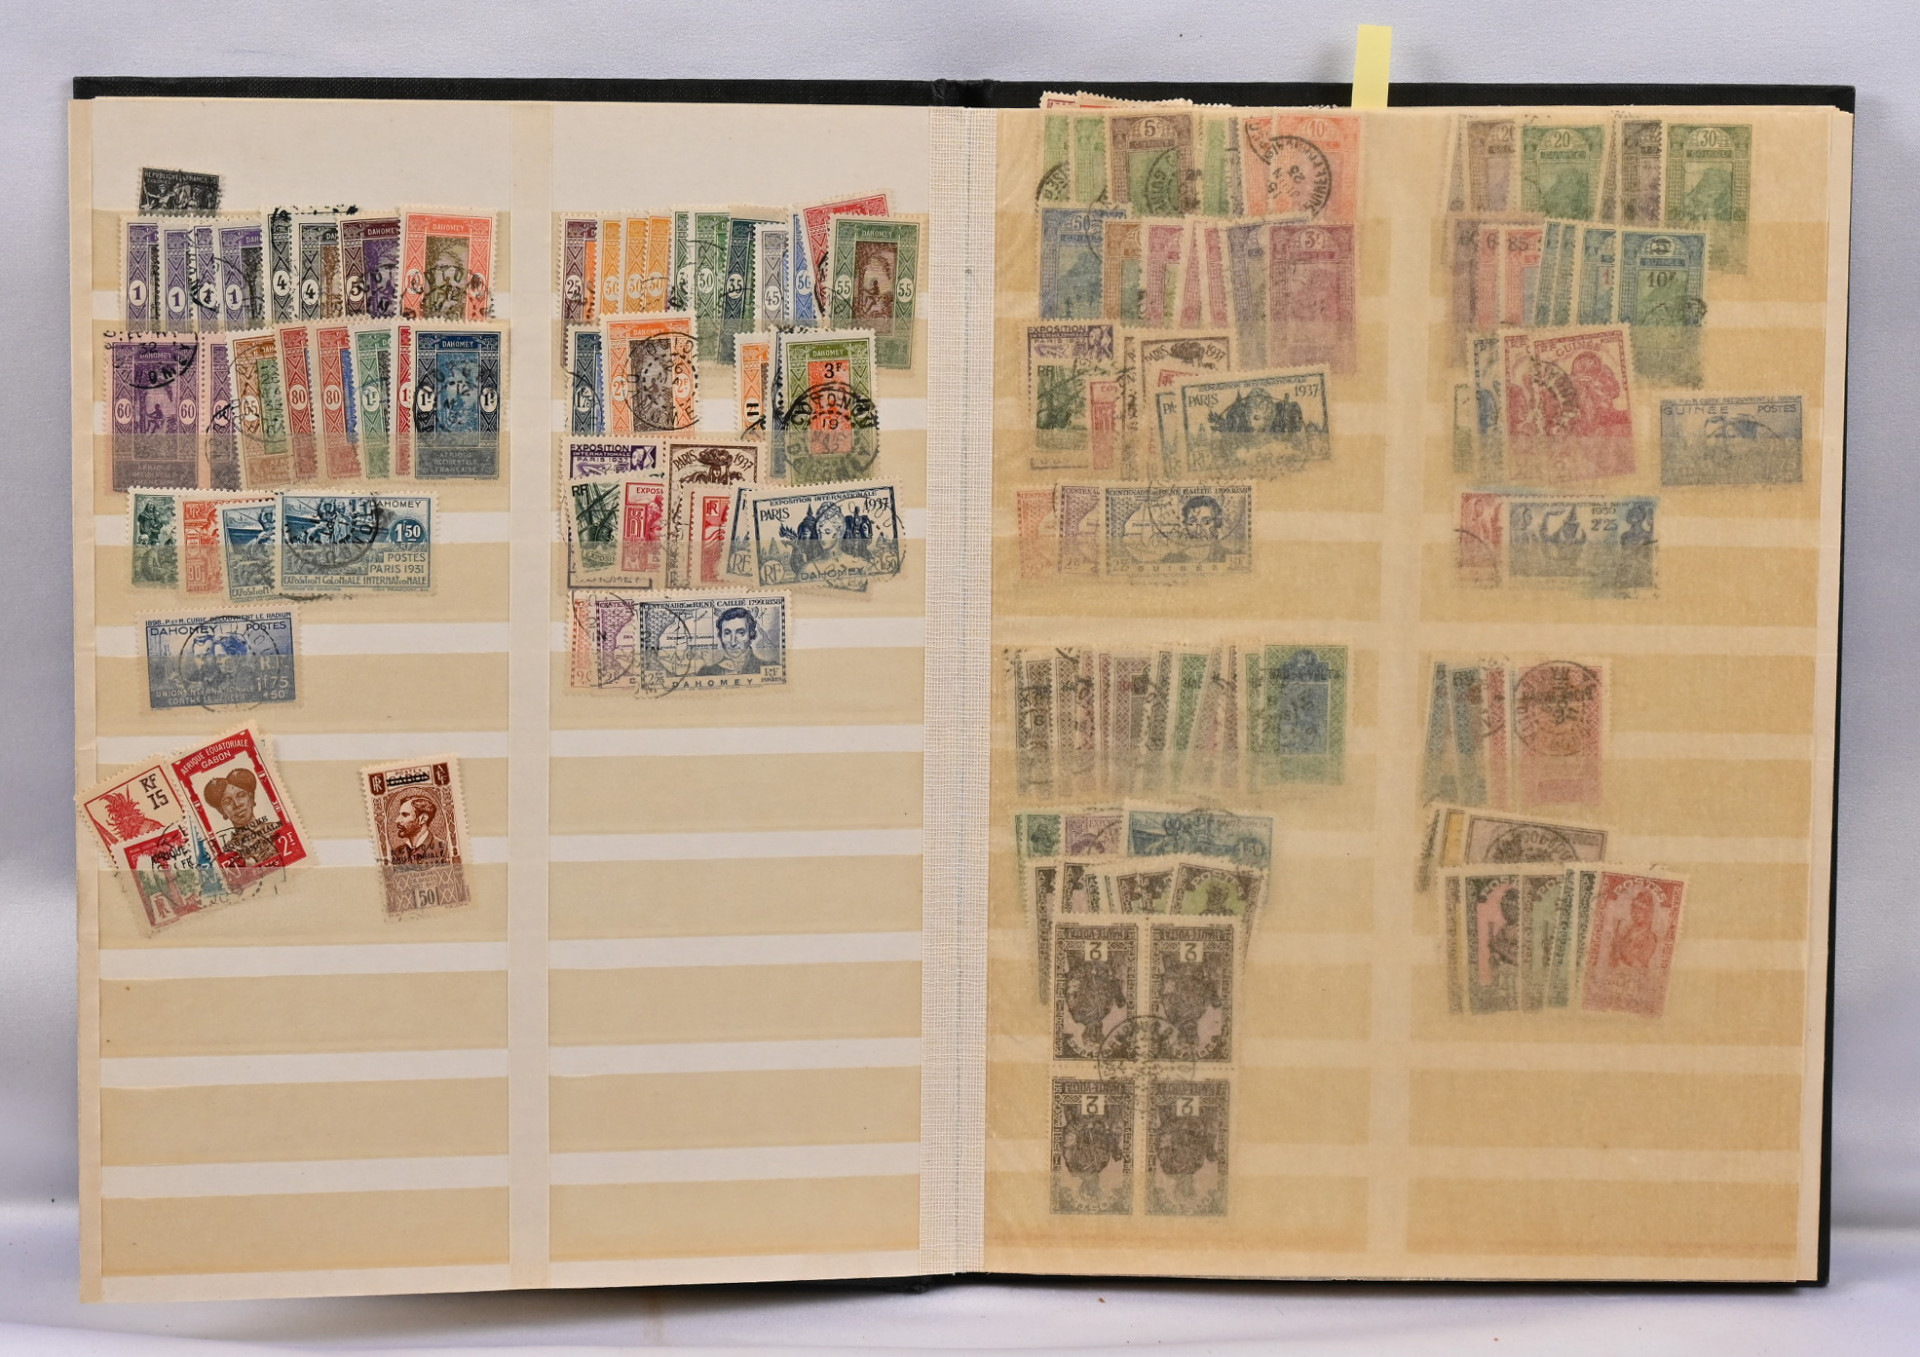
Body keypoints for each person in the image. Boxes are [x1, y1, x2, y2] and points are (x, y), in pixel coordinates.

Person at [201, 765, 282, 867]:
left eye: (241, 795)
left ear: (251, 798)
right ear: (222, 811)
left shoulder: (278, 829)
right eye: (227, 801)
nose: (237, 804)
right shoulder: (229, 852)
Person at [697, 606, 763, 676]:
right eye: (727, 633)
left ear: (751, 634)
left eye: (740, 633)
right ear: (720, 636)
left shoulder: (765, 666)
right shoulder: (705, 672)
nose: (733, 643)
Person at [387, 793, 448, 865]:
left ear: (423, 819)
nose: (397, 820)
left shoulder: (444, 849)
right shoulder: (397, 853)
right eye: (399, 815)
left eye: (405, 815)